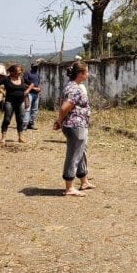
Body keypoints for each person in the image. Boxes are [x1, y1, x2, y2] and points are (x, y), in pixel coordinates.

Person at [53, 61, 95, 197]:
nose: (88, 74)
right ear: (79, 74)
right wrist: (59, 121)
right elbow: (65, 107)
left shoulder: (73, 86)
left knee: (80, 152)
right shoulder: (74, 89)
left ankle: (83, 181)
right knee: (74, 155)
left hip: (78, 125)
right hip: (75, 126)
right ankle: (69, 186)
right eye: (86, 72)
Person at [0, 64, 34, 145]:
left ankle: (20, 137)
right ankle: (3, 137)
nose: (19, 73)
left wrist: (27, 91)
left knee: (20, 120)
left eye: (20, 72)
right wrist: (2, 92)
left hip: (21, 102)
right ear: (12, 72)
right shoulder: (6, 79)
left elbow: (32, 84)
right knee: (7, 119)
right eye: (17, 72)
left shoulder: (22, 79)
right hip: (9, 102)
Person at [23, 59, 43, 129]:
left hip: (36, 94)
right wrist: (34, 88)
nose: (36, 67)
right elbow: (24, 84)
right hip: (29, 94)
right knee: (27, 108)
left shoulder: (37, 74)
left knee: (34, 110)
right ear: (31, 67)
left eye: (37, 66)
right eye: (35, 66)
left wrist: (39, 88)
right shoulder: (27, 73)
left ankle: (31, 124)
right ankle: (25, 124)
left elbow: (37, 84)